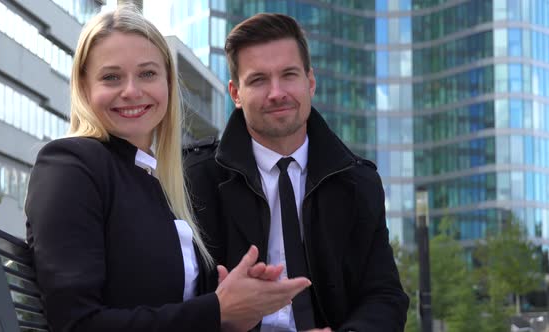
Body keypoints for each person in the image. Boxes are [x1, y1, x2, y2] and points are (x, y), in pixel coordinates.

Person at [25, 7, 312, 332]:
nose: (132, 90)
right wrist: (217, 310)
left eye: (147, 74)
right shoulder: (70, 165)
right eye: (111, 77)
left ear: (168, 83)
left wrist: (238, 303)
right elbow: (77, 324)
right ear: (84, 87)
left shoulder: (153, 179)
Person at [185, 13, 409, 332]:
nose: (277, 93)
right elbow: (172, 300)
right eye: (259, 80)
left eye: (288, 75)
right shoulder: (194, 180)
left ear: (310, 82)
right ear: (236, 94)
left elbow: (384, 296)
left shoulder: (359, 183)